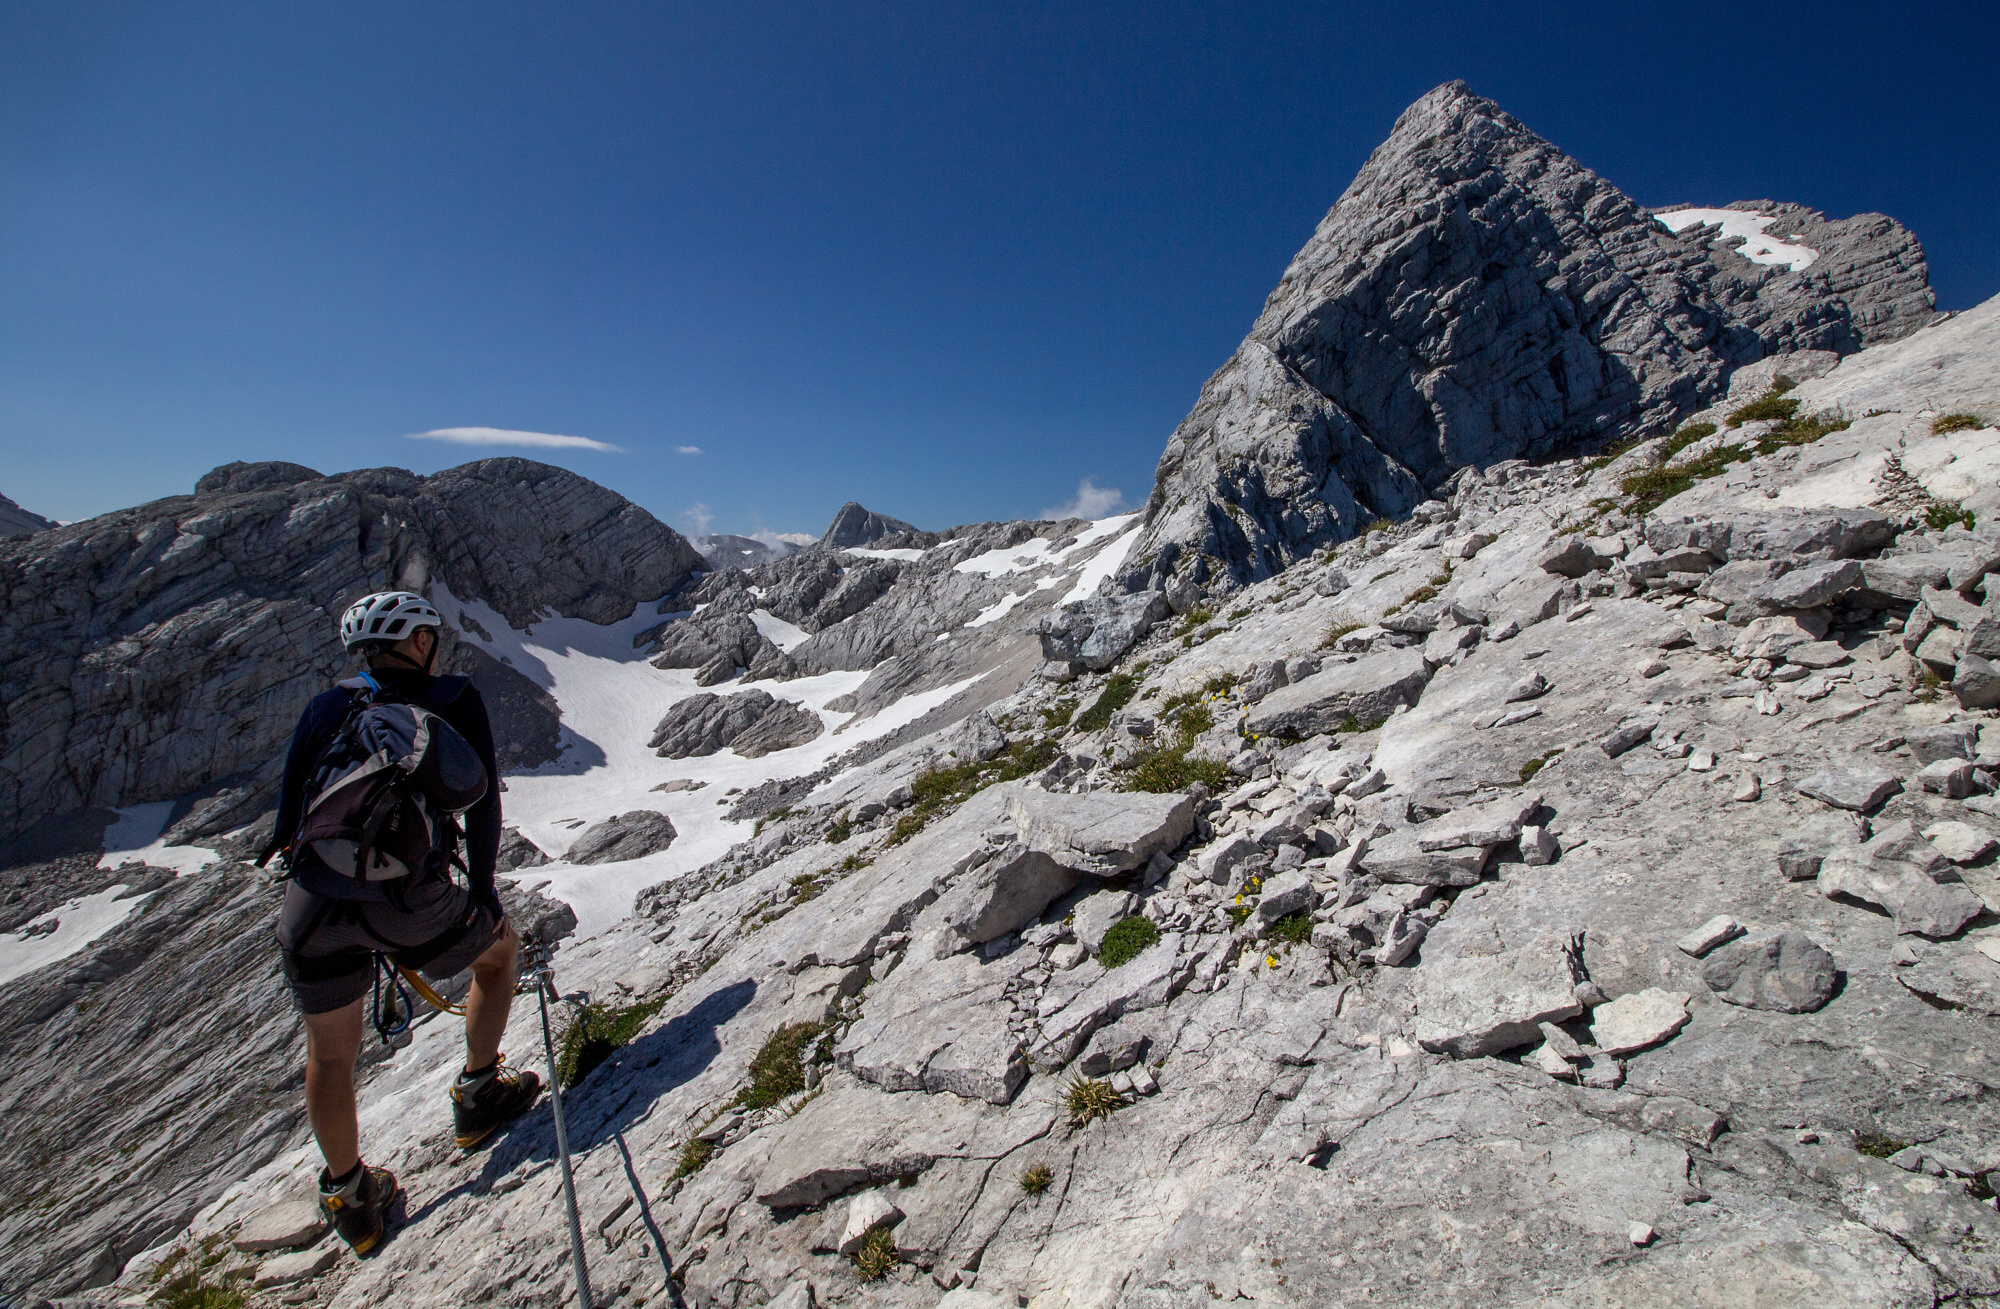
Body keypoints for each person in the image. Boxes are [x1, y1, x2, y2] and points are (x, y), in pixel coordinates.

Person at [269, 591, 541, 1255]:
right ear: (419, 643)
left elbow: (286, 825)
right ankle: (478, 1094)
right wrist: (481, 893)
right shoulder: (452, 697)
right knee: (499, 954)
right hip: (407, 899)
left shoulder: (326, 706)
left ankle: (350, 1196)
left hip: (315, 903)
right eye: (430, 635)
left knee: (329, 1052)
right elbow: (481, 807)